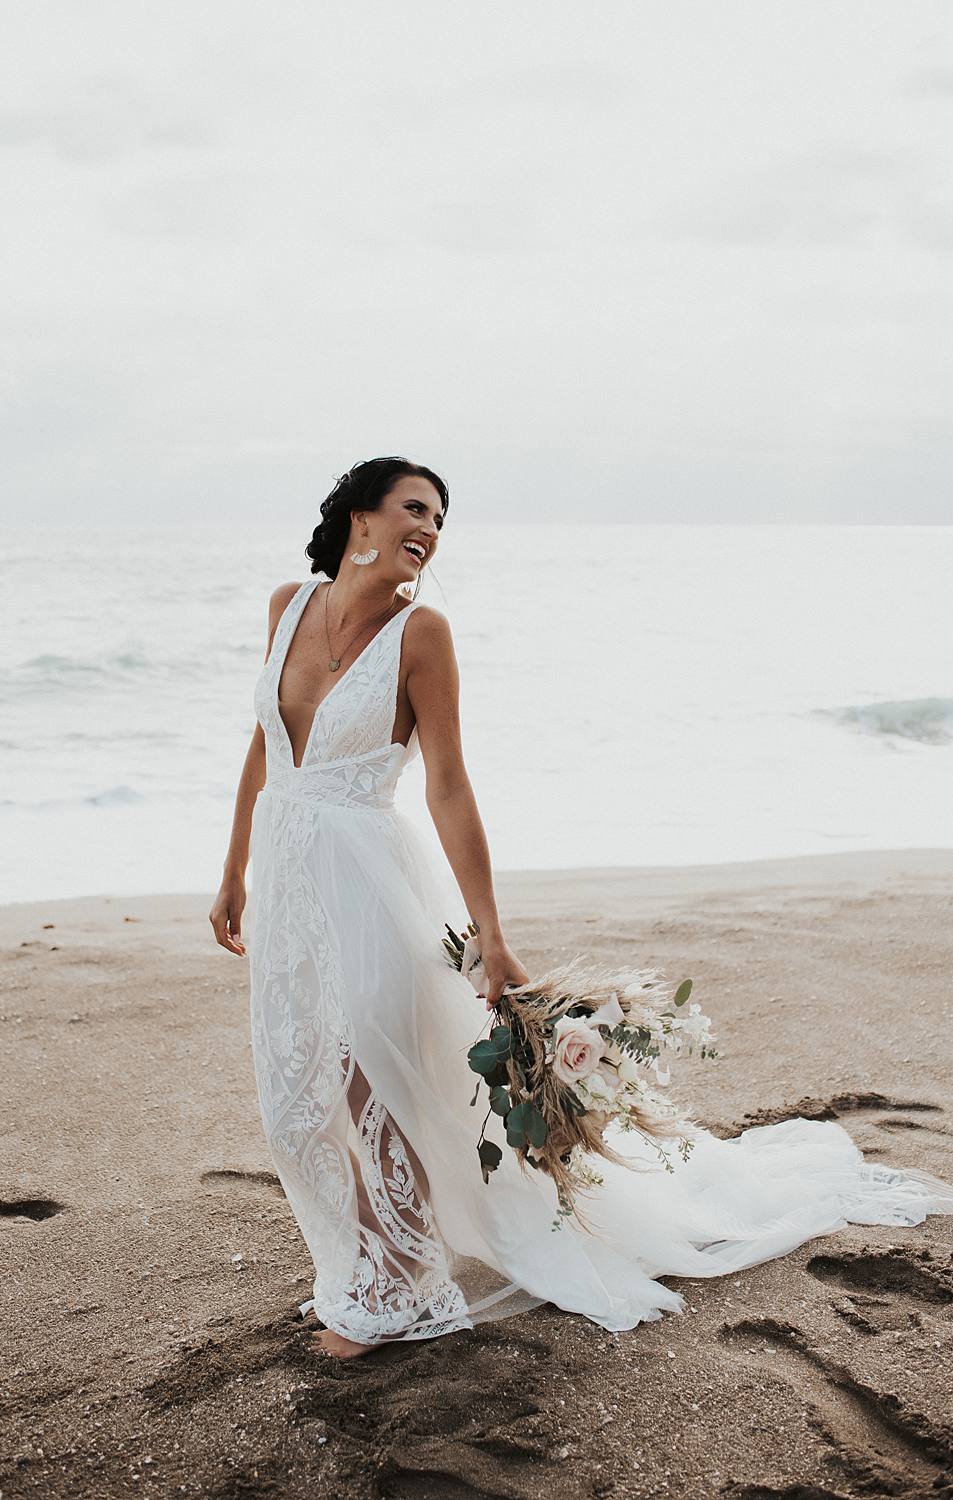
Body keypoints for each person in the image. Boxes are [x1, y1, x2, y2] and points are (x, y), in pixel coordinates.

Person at [210, 456, 953, 1360]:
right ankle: (363, 1260)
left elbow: (447, 786)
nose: (431, 529)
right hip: (288, 877)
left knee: (369, 1073)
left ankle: (395, 1286)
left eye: (441, 518)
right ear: (358, 517)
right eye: (415, 508)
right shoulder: (287, 604)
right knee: (302, 1089)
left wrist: (491, 934)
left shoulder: (422, 634)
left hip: (367, 879)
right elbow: (264, 746)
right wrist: (233, 868)